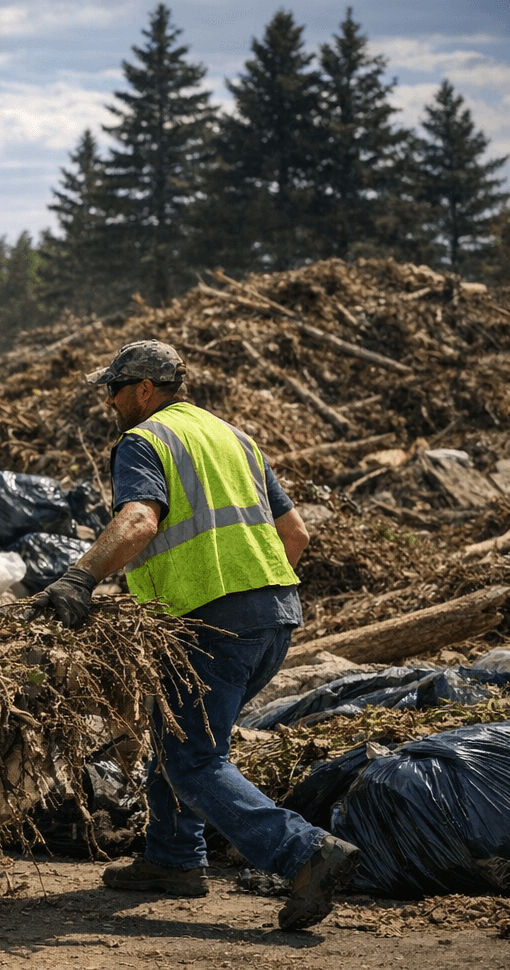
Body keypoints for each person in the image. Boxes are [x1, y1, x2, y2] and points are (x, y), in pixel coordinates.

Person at [30, 340, 361, 932]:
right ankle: (174, 859)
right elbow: (297, 534)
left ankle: (304, 853)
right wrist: (250, 591)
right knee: (180, 733)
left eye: (114, 389)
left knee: (193, 760)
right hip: (274, 614)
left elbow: (138, 520)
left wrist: (79, 578)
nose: (108, 401)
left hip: (213, 621)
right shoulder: (235, 438)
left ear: (144, 390)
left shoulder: (145, 440)